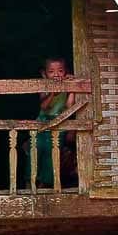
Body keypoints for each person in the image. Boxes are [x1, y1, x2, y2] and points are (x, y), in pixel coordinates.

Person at [27, 57, 76, 188]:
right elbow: (44, 106)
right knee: (36, 149)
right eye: (51, 71)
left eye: (60, 71)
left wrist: (72, 88)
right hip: (42, 123)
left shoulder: (66, 86)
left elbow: (69, 105)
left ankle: (47, 182)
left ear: (66, 72)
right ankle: (31, 180)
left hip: (59, 123)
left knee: (53, 151)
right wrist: (53, 93)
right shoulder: (44, 86)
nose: (56, 75)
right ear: (44, 74)